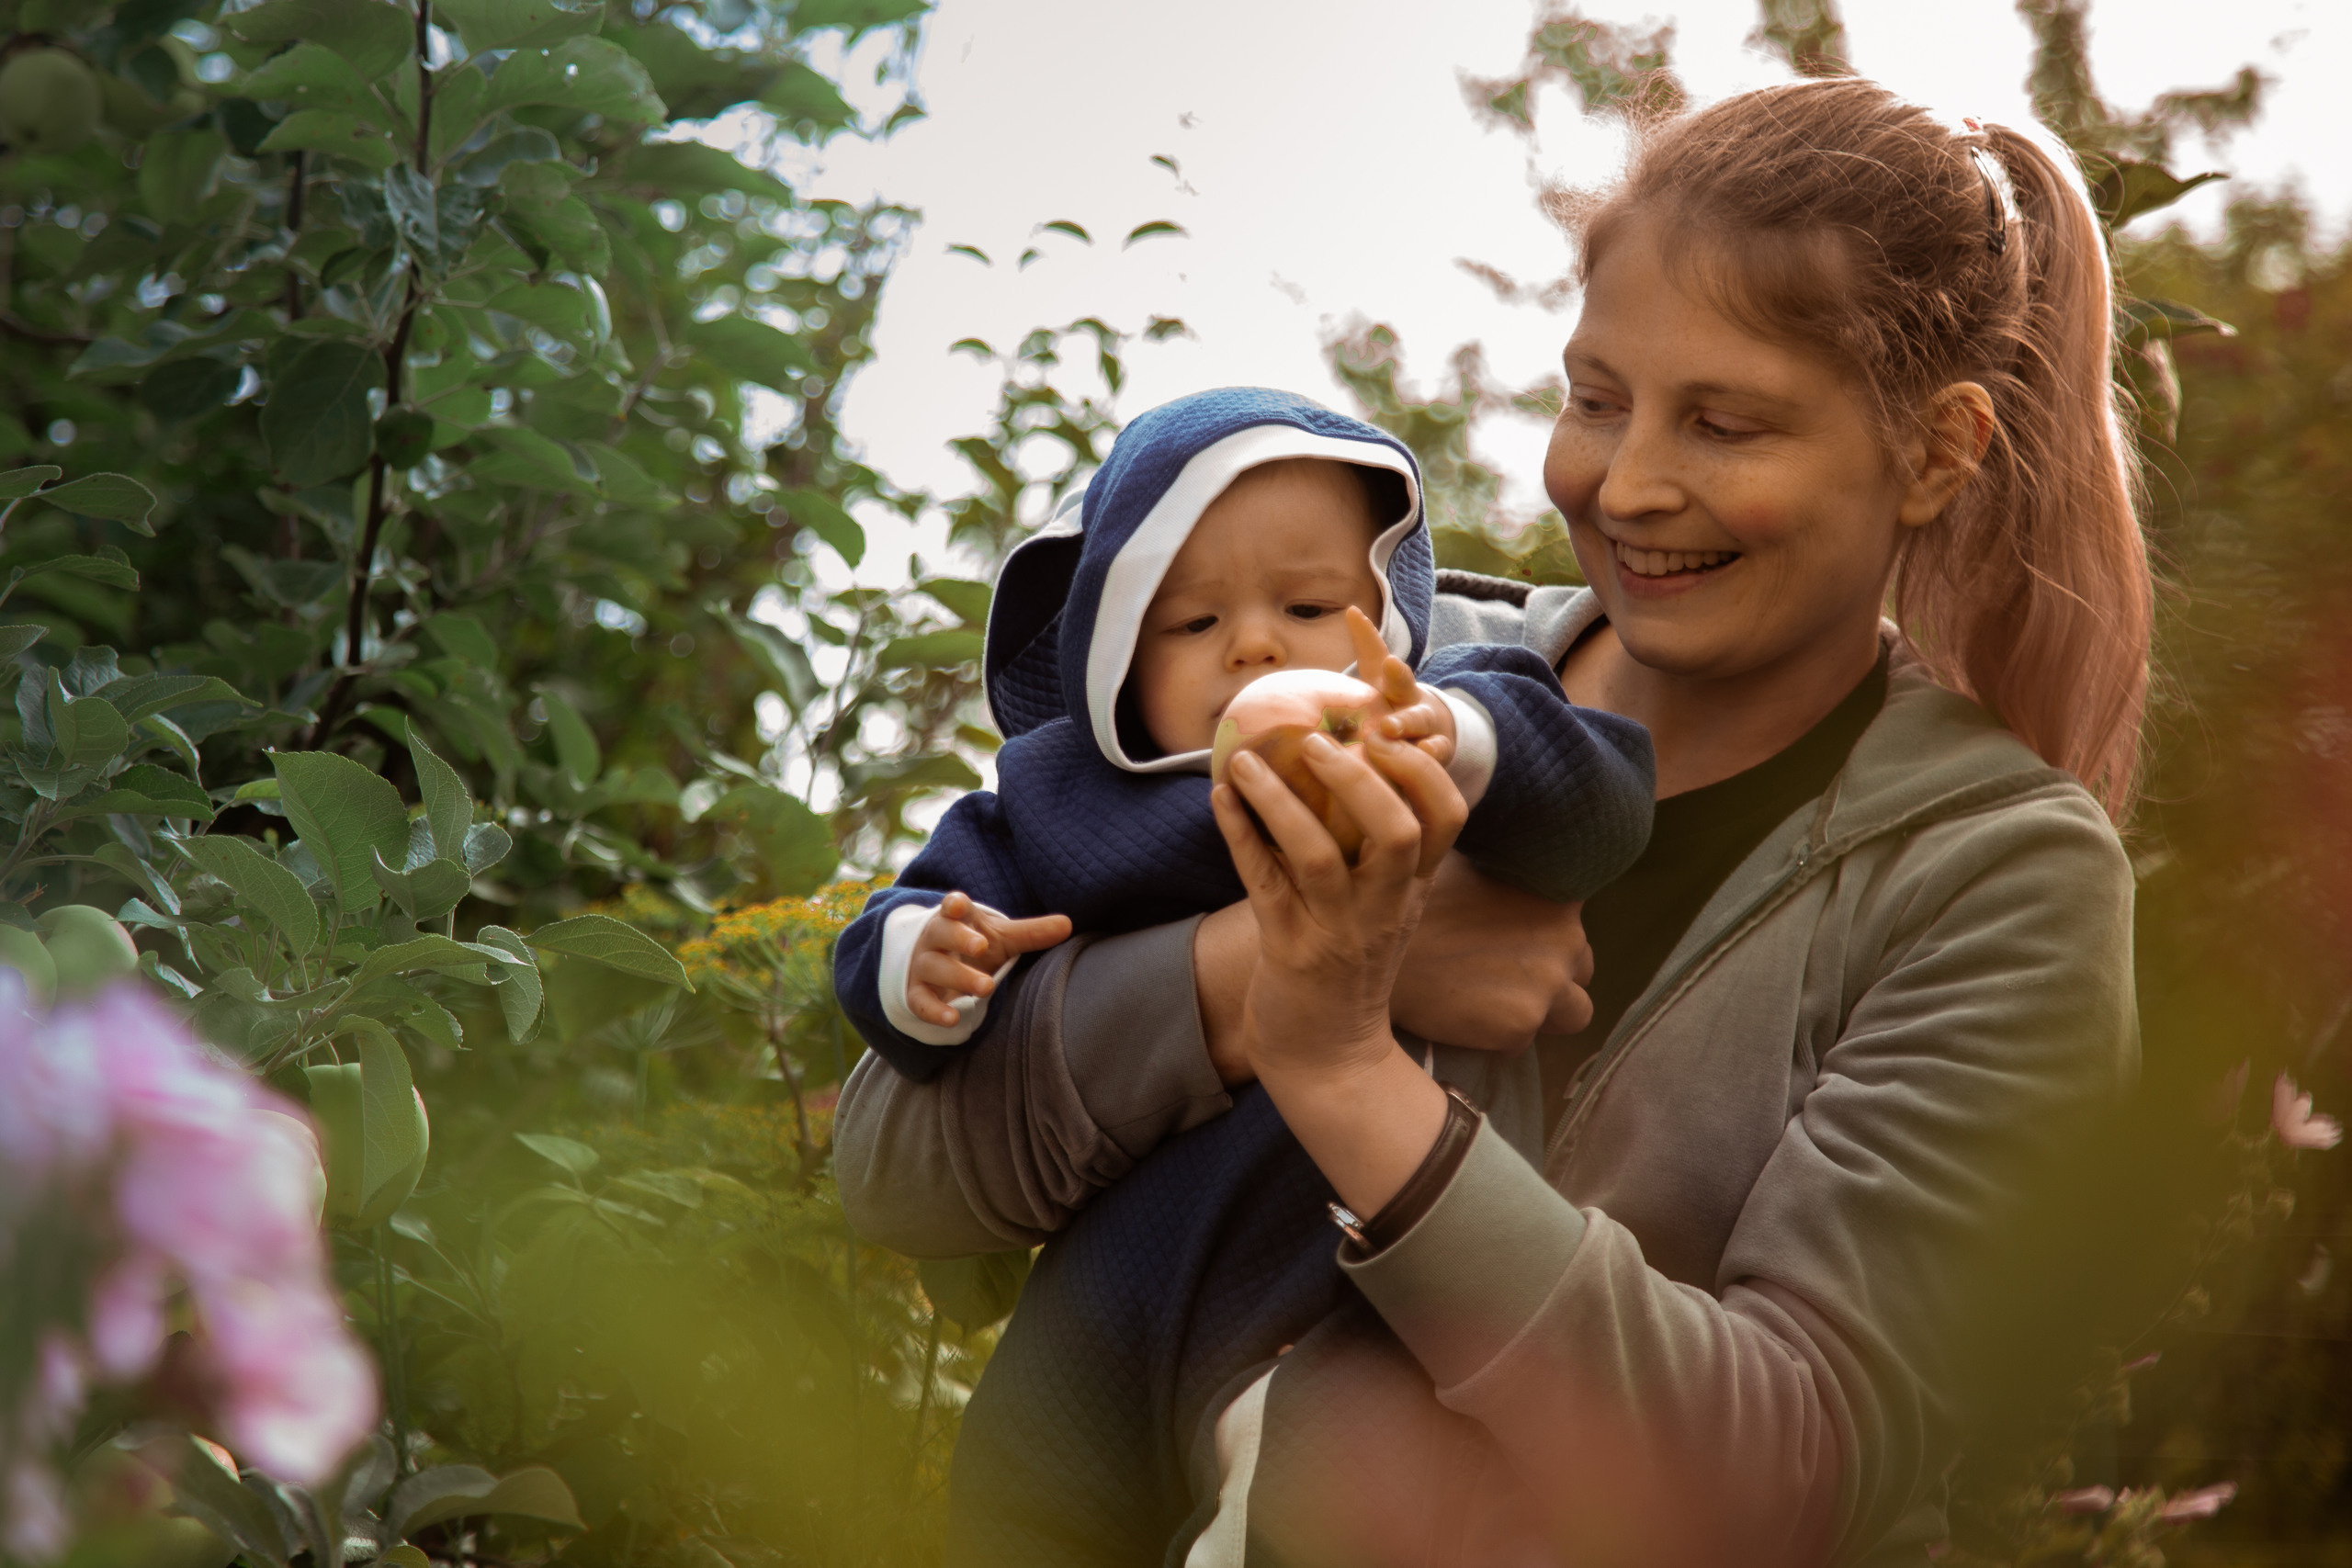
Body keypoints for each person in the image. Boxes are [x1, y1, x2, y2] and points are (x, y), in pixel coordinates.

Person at [838, 76, 2148, 1567]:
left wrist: (1345, 1066)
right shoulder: (1381, 669)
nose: (1628, 483)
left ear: (1938, 450)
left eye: (1724, 423)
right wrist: (1266, 980)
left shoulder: (2001, 873)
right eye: (1596, 398)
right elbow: (895, 1163)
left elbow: (1786, 1469)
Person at [831, 387, 1655, 1564]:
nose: (1255, 646)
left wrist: (1461, 743)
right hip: (1119, 1264)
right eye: (1190, 621)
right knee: (1027, 1487)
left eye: (1310, 607)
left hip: (1346, 1259)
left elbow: (1606, 804)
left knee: (1306, 1471)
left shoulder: (1440, 719)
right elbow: (902, 923)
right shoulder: (1060, 798)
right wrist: (923, 959)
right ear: (1113, 655)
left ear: (1388, 610)